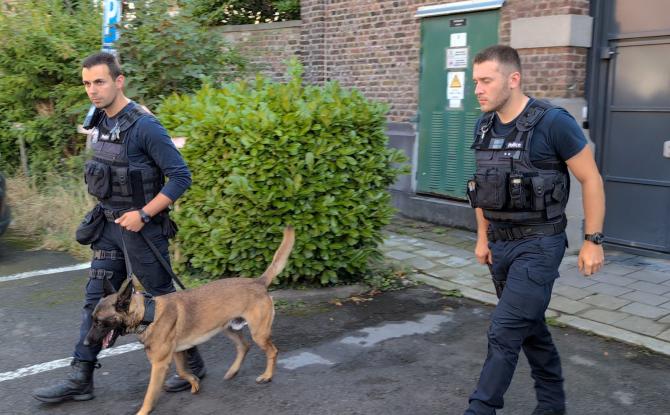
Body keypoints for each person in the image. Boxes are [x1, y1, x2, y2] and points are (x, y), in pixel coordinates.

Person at [32, 52, 200, 403]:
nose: (92, 90)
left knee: (162, 303)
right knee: (95, 300)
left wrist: (144, 213)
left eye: (100, 82)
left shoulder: (145, 126)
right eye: (87, 83)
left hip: (143, 231)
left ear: (118, 81)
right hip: (108, 227)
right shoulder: (98, 120)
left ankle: (192, 366)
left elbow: (181, 176)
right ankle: (81, 377)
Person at [463, 45, 605, 415]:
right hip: (500, 245)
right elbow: (481, 189)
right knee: (530, 327)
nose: (477, 89)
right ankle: (553, 404)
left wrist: (593, 240)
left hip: (540, 245)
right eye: (475, 81)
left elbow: (591, 179)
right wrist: (482, 238)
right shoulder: (483, 125)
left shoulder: (553, 122)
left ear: (513, 79)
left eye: (486, 81)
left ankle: (481, 408)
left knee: (505, 330)